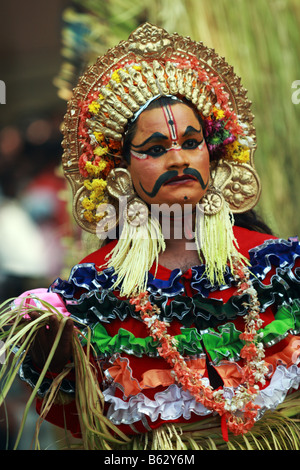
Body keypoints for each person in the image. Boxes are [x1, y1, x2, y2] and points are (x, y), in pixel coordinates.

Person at [3, 23, 300, 450]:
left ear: (214, 158)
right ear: (121, 174)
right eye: (156, 149)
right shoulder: (97, 287)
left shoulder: (279, 265)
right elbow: (74, 415)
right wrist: (52, 350)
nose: (179, 158)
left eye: (193, 142)